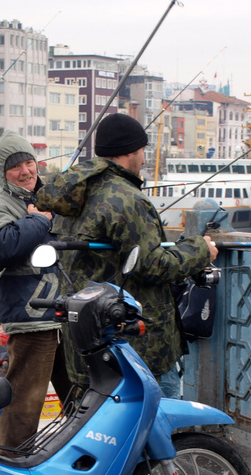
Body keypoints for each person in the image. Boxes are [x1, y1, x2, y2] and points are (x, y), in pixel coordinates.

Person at [37, 112, 216, 398]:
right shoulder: (125, 198)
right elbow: (152, 265)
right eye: (143, 151)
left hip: (86, 338)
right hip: (133, 346)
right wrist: (200, 250)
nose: (144, 159)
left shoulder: (77, 195)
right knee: (155, 431)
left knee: (100, 432)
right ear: (130, 152)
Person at [0, 131, 71, 451]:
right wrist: (39, 221)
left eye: (29, 162)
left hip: (64, 312)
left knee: (80, 396)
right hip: (31, 316)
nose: (26, 171)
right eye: (16, 166)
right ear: (3, 173)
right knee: (24, 402)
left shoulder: (47, 196)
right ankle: (11, 463)